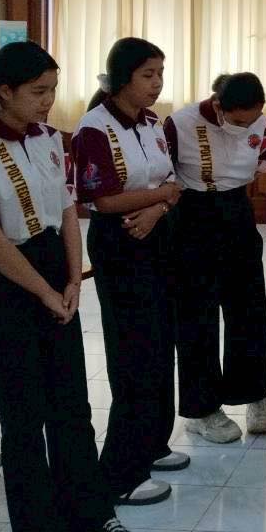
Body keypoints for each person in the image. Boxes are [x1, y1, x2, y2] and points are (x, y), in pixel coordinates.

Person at [0, 43, 128, 532]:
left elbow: (68, 211)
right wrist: (46, 293)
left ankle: (90, 513)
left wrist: (73, 279)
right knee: (24, 415)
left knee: (71, 406)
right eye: (38, 91)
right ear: (5, 91)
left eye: (53, 90)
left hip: (53, 272)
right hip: (1, 287)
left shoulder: (51, 139)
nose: (48, 100)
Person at [73, 38, 184, 505]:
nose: (157, 84)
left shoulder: (152, 123)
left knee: (161, 344)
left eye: (160, 74)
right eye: (147, 75)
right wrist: (163, 197)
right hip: (121, 241)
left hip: (155, 232)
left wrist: (160, 206)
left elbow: (172, 183)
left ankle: (153, 443)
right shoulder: (94, 129)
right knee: (134, 352)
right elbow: (105, 200)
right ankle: (120, 472)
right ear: (121, 78)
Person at [164, 73, 266, 444]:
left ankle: (254, 394)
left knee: (248, 308)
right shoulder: (180, 123)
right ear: (218, 105)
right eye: (238, 121)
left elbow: (260, 165)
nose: (245, 127)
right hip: (192, 213)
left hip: (237, 211)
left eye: (251, 120)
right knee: (197, 315)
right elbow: (165, 177)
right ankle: (202, 409)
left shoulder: (260, 121)